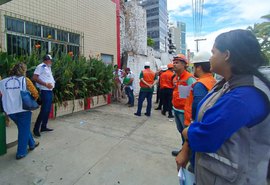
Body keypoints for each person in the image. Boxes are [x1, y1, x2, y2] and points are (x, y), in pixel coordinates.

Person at [176, 29, 270, 185]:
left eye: (213, 53)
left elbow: (206, 137)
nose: (211, 58)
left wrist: (188, 131)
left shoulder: (244, 96)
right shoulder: (226, 83)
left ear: (226, 55)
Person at [0, 63, 39, 159]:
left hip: (10, 111)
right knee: (23, 130)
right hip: (23, 110)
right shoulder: (25, 80)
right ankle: (21, 152)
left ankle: (32, 143)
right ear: (23, 71)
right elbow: (35, 93)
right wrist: (33, 99)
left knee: (23, 128)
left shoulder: (3, 82)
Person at [171, 54, 196, 156]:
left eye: (177, 62)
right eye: (174, 62)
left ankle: (188, 154)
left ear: (184, 65)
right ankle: (184, 150)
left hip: (184, 112)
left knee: (187, 134)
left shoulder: (189, 78)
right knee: (181, 131)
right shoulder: (177, 77)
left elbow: (194, 95)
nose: (174, 64)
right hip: (176, 109)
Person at [184, 51, 216, 126]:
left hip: (196, 123)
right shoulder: (213, 80)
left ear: (198, 67)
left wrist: (193, 122)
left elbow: (197, 105)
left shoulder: (200, 84)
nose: (193, 69)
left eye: (194, 67)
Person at [33, 54, 55, 137]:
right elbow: (34, 78)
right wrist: (45, 84)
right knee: (44, 110)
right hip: (45, 91)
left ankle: (43, 127)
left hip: (49, 91)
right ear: (46, 60)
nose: (51, 62)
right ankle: (36, 129)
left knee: (47, 110)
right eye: (50, 60)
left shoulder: (48, 67)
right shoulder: (40, 66)